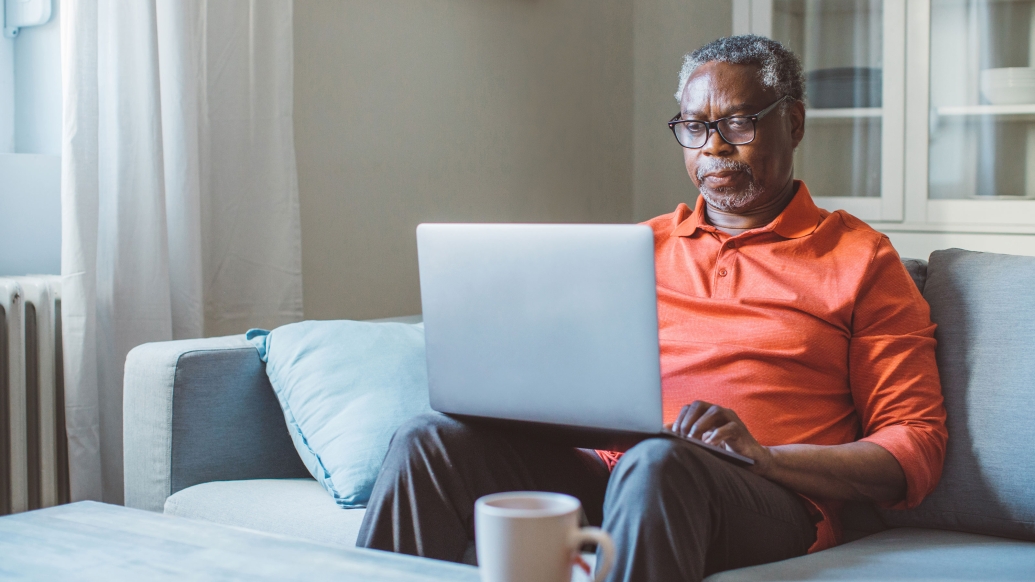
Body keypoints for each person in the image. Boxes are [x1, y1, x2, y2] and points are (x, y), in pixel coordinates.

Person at [356, 35, 948, 582]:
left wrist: (765, 459)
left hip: (766, 498)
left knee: (662, 462)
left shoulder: (862, 260)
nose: (713, 146)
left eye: (738, 122)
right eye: (694, 126)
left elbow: (914, 445)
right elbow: (568, 385)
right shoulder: (638, 249)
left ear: (792, 123)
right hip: (612, 474)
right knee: (428, 440)